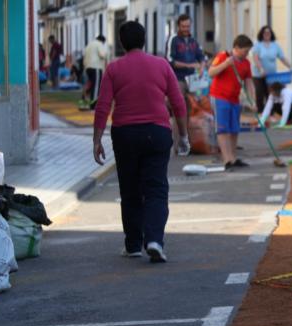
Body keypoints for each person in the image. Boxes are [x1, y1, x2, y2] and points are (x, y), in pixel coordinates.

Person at [93, 21, 189, 264]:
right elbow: (178, 103)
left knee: (130, 189)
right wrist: (184, 135)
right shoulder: (161, 65)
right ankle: (155, 239)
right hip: (157, 132)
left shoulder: (114, 69)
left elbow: (103, 105)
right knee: (156, 188)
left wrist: (97, 139)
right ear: (144, 40)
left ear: (122, 43)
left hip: (125, 134)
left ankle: (134, 244)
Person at [208, 34, 257, 170]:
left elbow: (249, 83)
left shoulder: (246, 63)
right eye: (245, 51)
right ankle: (227, 160)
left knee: (234, 129)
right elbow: (211, 72)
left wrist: (252, 101)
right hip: (219, 97)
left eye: (248, 51)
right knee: (223, 129)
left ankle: (233, 158)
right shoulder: (223, 56)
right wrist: (225, 64)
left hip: (234, 99)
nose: (247, 54)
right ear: (236, 47)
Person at [168, 14, 205, 116]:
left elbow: (201, 57)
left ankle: (190, 131)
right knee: (179, 109)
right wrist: (189, 65)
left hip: (193, 80)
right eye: (183, 26)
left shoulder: (193, 40)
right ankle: (179, 132)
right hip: (179, 79)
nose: (186, 29)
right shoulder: (173, 40)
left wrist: (201, 67)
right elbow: (170, 61)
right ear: (178, 26)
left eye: (188, 26)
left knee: (194, 108)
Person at [251, 26, 291, 113]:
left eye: (268, 32)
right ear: (261, 34)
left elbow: (282, 57)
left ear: (271, 34)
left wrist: (290, 66)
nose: (267, 34)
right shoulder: (258, 45)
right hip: (259, 75)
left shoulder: (275, 45)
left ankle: (271, 114)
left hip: (271, 76)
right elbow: (256, 58)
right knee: (259, 94)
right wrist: (261, 69)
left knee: (271, 94)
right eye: (265, 32)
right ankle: (260, 114)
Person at [82, 35, 108, 108]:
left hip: (88, 67)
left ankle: (84, 100)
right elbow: (102, 55)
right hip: (96, 67)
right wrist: (106, 54)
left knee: (90, 84)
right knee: (96, 86)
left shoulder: (89, 45)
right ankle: (93, 104)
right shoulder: (99, 44)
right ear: (102, 41)